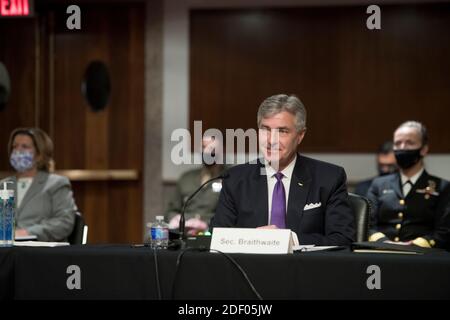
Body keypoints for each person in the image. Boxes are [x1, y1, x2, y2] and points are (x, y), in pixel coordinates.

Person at [211, 94, 355, 246]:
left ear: (300, 135)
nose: (271, 140)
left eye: (282, 131)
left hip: (305, 267)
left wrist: (288, 240)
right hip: (248, 268)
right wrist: (256, 239)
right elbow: (217, 237)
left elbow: (343, 239)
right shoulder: (235, 179)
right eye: (265, 129)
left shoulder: (329, 178)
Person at [367, 121, 450, 249]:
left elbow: (444, 231)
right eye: (397, 143)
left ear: (423, 149)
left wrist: (414, 245)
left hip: (423, 256)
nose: (402, 147)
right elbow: (367, 225)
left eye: (410, 143)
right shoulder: (379, 184)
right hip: (382, 253)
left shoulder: (442, 187)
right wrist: (383, 242)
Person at [1, 127, 77, 241]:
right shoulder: (4, 185)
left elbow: (64, 222)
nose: (18, 151)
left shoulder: (56, 184)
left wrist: (27, 232)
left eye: (24, 147)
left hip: (41, 251)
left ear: (39, 154)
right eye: (14, 146)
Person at [166, 135, 228, 235]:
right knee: (152, 237)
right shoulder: (186, 178)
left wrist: (205, 223)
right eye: (204, 147)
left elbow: (232, 216)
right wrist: (175, 219)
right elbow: (172, 210)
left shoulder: (230, 178)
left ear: (222, 150)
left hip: (211, 231)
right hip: (183, 230)